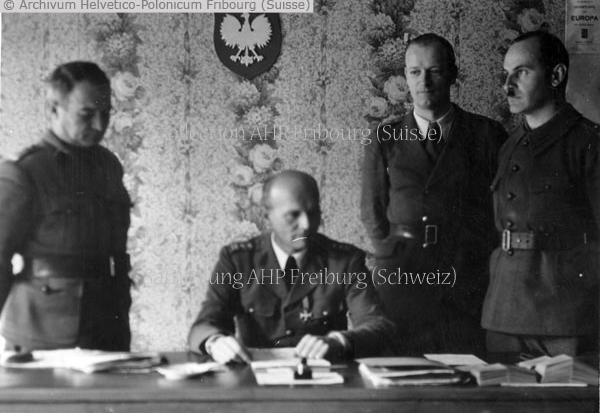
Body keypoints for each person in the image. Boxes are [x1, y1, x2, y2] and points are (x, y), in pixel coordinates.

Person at [361, 33, 508, 355]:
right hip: (404, 275)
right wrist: (392, 255)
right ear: (405, 75)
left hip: (465, 277)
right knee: (401, 368)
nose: (424, 82)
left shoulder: (487, 134)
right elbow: (372, 211)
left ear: (452, 74)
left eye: (435, 71)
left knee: (466, 367)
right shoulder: (385, 137)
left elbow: (501, 209)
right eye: (415, 72)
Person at [189, 170, 394, 363]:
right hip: (255, 379)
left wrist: (339, 341)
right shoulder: (238, 261)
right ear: (266, 216)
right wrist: (215, 342)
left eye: (313, 213)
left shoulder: (345, 261)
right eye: (293, 215)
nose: (306, 225)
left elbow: (378, 327)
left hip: (324, 377)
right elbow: (205, 324)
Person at [0, 61, 132, 352]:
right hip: (44, 332)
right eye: (86, 114)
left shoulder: (108, 166)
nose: (99, 125)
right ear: (54, 109)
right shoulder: (25, 172)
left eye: (106, 113)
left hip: (107, 325)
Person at [482, 31, 599, 356]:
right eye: (506, 74)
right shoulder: (510, 146)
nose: (507, 86)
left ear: (556, 76)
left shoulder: (588, 143)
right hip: (504, 311)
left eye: (521, 72)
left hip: (566, 315)